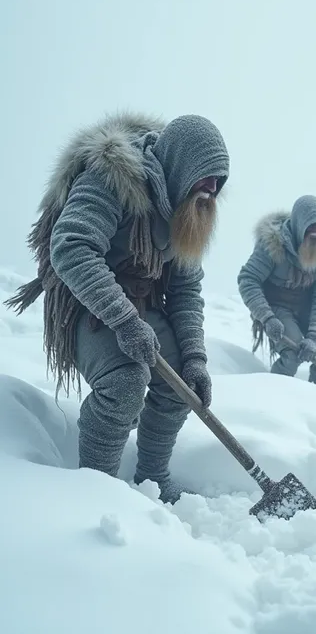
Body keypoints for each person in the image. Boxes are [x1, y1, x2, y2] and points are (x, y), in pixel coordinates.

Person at [5, 111, 230, 503]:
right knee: (125, 383)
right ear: (180, 165)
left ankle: (153, 479)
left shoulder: (186, 207)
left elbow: (186, 290)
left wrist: (194, 356)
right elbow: (71, 247)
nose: (211, 189)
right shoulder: (111, 177)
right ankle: (98, 491)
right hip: (84, 301)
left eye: (218, 182)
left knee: (182, 385)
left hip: (142, 304)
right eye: (205, 177)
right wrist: (124, 321)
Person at [237, 195, 316, 389]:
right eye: (309, 227)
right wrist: (267, 318)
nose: (315, 233)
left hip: (307, 308)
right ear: (298, 226)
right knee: (292, 352)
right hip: (276, 307)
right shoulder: (272, 245)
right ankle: (273, 397)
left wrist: (314, 336)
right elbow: (248, 280)